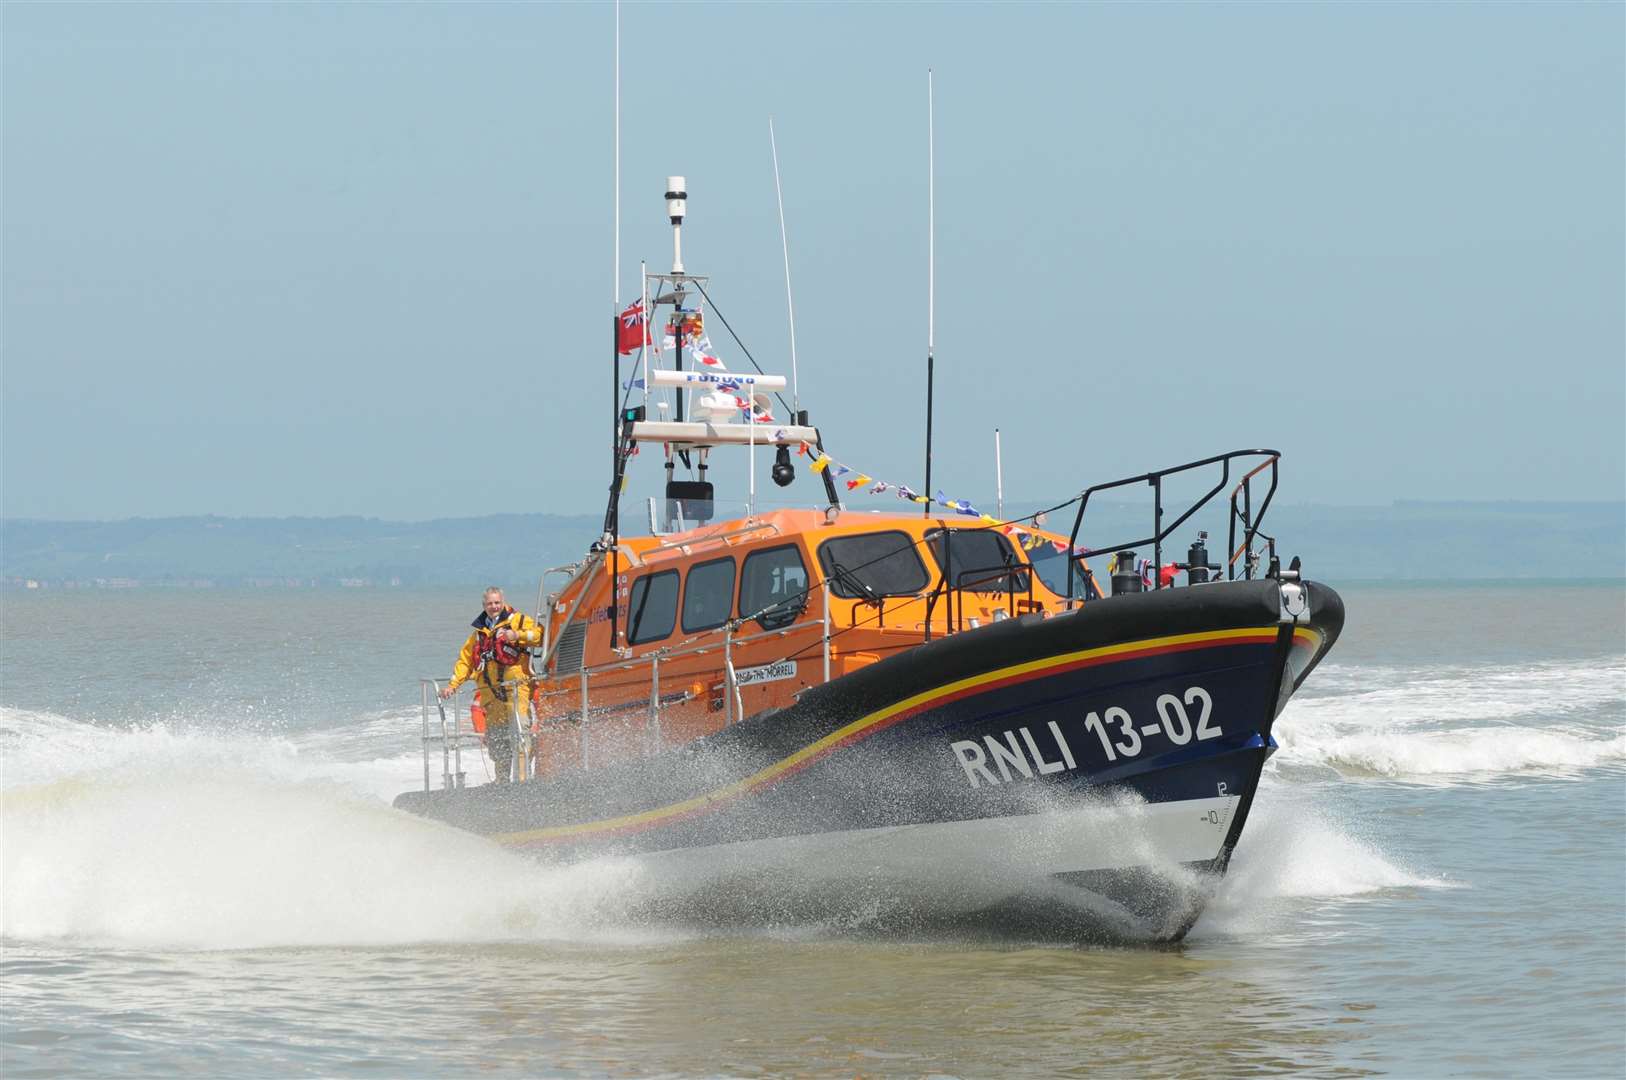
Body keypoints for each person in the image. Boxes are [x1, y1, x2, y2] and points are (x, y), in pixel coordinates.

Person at [440, 587, 542, 783]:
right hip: (491, 694)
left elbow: (539, 635)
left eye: (497, 603)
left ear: (503, 602)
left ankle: (522, 781)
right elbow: (465, 661)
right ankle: (501, 782)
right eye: (490, 603)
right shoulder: (479, 634)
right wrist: (453, 685)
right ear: (484, 606)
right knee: (497, 741)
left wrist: (516, 636)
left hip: (516, 688)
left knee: (521, 734)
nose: (494, 607)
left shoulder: (519, 621)